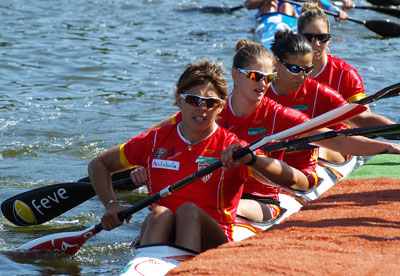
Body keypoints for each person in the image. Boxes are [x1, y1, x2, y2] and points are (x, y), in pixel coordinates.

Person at [137, 41, 400, 223]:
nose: (263, 83)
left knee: (197, 205)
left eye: (268, 78)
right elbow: (160, 133)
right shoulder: (210, 107)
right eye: (255, 76)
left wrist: (387, 147)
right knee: (164, 212)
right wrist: (143, 164)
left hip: (258, 198)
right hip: (213, 192)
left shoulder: (283, 117)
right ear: (235, 76)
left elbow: (337, 143)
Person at [88, 59, 307, 253]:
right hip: (161, 229)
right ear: (178, 100)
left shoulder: (232, 146)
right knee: (159, 213)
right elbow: (99, 165)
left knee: (188, 211)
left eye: (210, 103)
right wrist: (111, 205)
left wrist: (252, 159)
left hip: (213, 236)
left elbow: (298, 181)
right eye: (193, 100)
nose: (202, 109)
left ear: (220, 107)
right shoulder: (154, 140)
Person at [297, 1, 395, 128]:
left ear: (329, 39)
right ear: (298, 38)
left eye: (322, 38)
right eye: (309, 37)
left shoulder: (345, 73)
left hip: (339, 141)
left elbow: (365, 118)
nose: (316, 44)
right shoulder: (285, 71)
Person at [245, 0, 352, 20]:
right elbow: (248, 4)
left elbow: (322, 2)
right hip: (267, 14)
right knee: (270, 5)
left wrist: (338, 12)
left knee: (286, 6)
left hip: (293, 13)